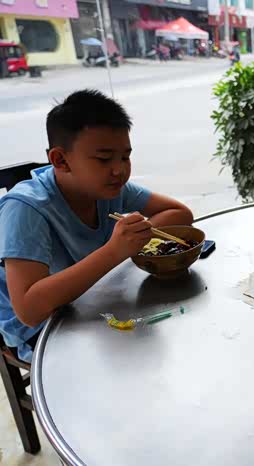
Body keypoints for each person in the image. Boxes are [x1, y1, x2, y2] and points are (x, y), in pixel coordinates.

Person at [0, 89, 193, 361]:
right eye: (104, 159)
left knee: (170, 340)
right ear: (60, 160)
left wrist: (135, 236)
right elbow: (29, 311)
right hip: (41, 331)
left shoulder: (107, 189)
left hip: (93, 300)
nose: (119, 170)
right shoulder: (27, 209)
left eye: (125, 157)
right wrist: (115, 251)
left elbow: (179, 213)